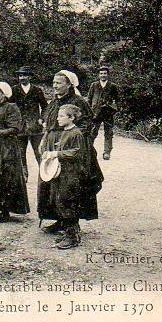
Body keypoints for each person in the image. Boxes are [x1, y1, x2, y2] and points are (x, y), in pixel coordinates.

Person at [38, 70, 104, 236]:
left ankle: (71, 226)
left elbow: (87, 125)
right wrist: (43, 140)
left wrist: (66, 138)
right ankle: (59, 220)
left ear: (69, 85)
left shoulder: (78, 102)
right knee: (52, 183)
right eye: (53, 82)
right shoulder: (54, 102)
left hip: (70, 146)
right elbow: (48, 125)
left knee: (69, 186)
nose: (55, 85)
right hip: (52, 146)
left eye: (59, 83)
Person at [39, 104, 87, 249]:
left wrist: (57, 154)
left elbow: (77, 152)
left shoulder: (76, 133)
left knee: (67, 203)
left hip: (71, 175)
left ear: (71, 118)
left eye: (61, 116)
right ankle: (68, 232)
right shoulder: (64, 132)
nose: (58, 118)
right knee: (60, 201)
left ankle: (73, 237)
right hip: (61, 174)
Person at [0, 82, 31, 222]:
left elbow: (15, 128)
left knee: (6, 176)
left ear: (4, 94)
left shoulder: (11, 107)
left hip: (8, 147)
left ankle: (5, 211)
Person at [12, 66, 48, 176]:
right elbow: (9, 107)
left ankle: (44, 173)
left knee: (39, 151)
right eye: (20, 75)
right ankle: (24, 175)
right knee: (20, 153)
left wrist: (42, 119)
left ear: (30, 77)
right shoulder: (14, 90)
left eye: (25, 75)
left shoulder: (37, 90)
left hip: (35, 126)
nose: (22, 77)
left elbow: (45, 107)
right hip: (19, 127)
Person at [86, 65, 120, 160]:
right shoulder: (94, 85)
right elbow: (89, 98)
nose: (103, 75)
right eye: (101, 73)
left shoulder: (113, 86)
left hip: (108, 113)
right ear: (98, 75)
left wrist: (115, 109)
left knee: (108, 133)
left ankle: (107, 152)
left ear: (108, 75)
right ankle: (89, 150)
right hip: (95, 112)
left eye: (105, 73)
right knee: (92, 132)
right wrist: (89, 110)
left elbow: (117, 100)